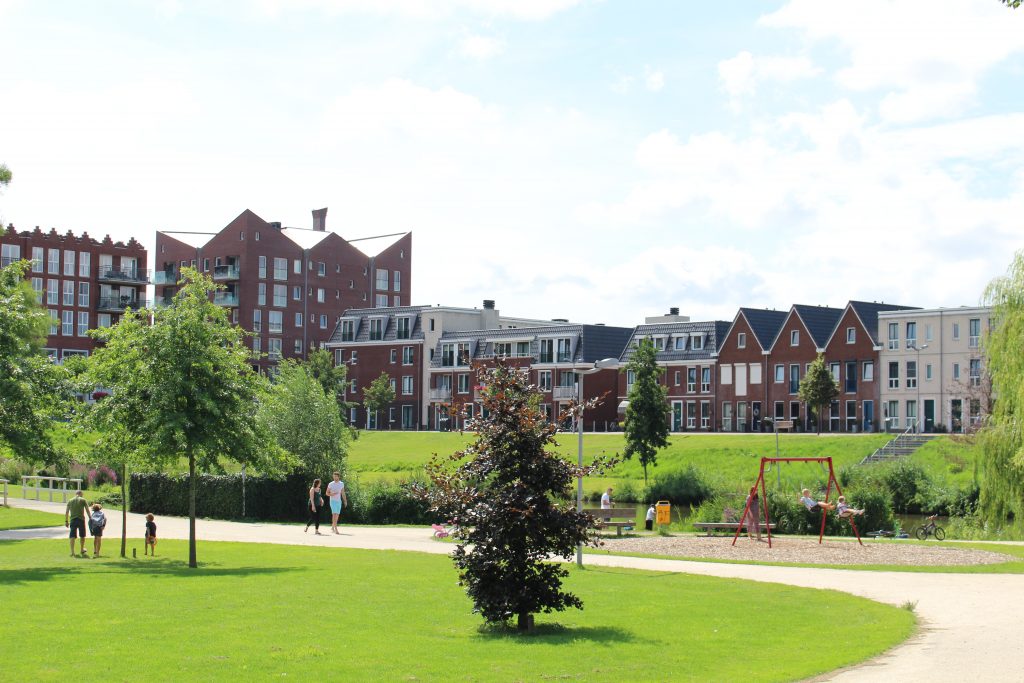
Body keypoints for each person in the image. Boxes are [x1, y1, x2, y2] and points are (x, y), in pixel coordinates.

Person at [65, 490, 91, 557]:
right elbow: (87, 510)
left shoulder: (70, 500)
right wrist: (90, 518)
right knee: (82, 535)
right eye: (82, 494)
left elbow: (67, 512)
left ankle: (72, 552)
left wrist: (66, 521)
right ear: (80, 494)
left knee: (72, 535)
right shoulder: (83, 500)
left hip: (73, 519)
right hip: (81, 519)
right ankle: (82, 549)